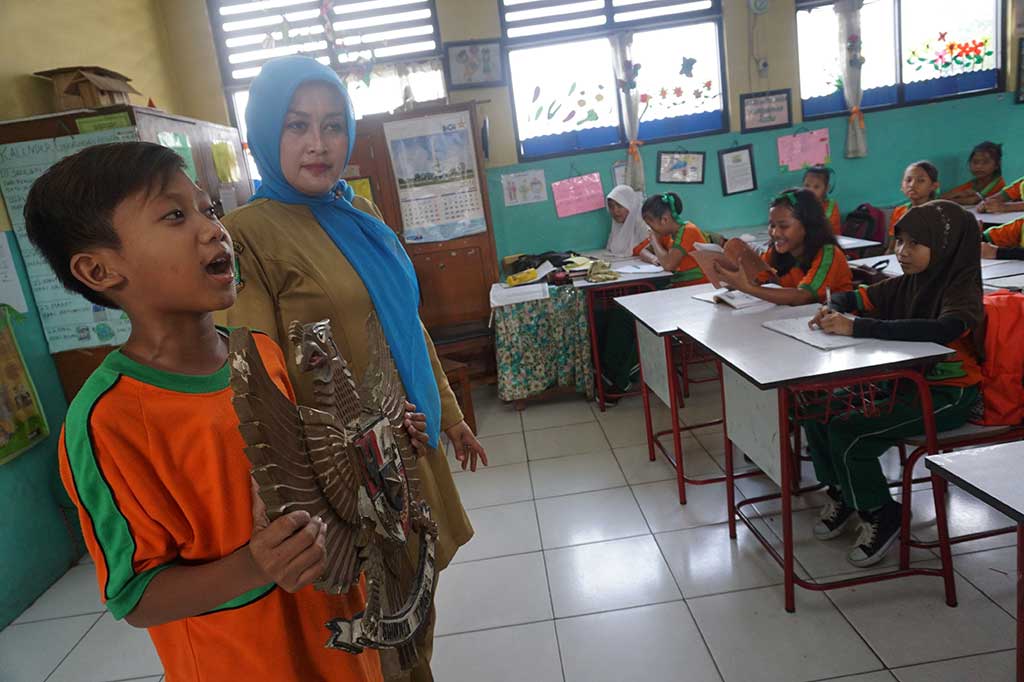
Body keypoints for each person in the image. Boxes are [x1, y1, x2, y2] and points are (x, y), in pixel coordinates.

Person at [23, 141, 383, 681]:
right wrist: (256, 565)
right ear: (99, 270)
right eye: (174, 215)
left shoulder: (256, 352)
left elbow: (301, 477)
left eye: (208, 209)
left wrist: (369, 449)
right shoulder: (108, 420)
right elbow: (136, 596)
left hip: (339, 635)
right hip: (245, 662)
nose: (214, 228)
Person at [220, 55, 486, 682]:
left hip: (407, 443)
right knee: (378, 623)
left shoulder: (359, 215)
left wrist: (450, 416)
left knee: (418, 604)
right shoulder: (247, 236)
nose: (319, 144)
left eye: (333, 125)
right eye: (297, 126)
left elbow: (404, 325)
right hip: (340, 475)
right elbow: (255, 369)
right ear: (263, 134)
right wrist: (275, 491)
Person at [807, 201, 984, 567]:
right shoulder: (907, 283)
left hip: (949, 394)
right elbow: (856, 297)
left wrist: (859, 326)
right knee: (818, 409)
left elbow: (940, 330)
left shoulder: (961, 291)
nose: (901, 252)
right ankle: (843, 491)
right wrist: (832, 304)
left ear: (945, 246)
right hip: (906, 383)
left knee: (850, 431)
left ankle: (882, 513)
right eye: (899, 242)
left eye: (914, 244)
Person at [715, 188, 852, 305]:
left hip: (834, 326)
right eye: (772, 225)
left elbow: (802, 296)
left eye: (784, 226)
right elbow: (755, 278)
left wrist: (748, 288)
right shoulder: (776, 251)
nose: (775, 233)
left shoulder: (828, 254)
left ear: (808, 225)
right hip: (795, 322)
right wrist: (730, 284)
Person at [634, 192, 709, 286]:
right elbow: (642, 251)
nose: (650, 229)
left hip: (699, 286)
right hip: (680, 286)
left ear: (664, 220)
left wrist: (654, 240)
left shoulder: (688, 231)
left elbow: (669, 265)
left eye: (650, 225)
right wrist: (654, 259)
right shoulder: (666, 233)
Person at [887, 161, 940, 250]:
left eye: (921, 180)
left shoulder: (937, 212)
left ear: (934, 186)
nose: (912, 185)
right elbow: (892, 247)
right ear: (902, 185)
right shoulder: (900, 211)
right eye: (908, 180)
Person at [941, 141, 1005, 206]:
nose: (978, 166)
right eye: (975, 162)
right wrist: (960, 194)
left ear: (997, 165)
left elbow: (973, 201)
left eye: (985, 162)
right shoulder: (974, 183)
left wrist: (955, 197)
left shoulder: (998, 182)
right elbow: (941, 198)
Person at [604, 184, 648, 257]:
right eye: (611, 206)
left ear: (631, 205)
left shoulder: (644, 226)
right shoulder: (617, 227)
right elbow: (611, 249)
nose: (615, 211)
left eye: (619, 205)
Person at [802, 165, 841, 235]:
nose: (810, 190)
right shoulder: (798, 205)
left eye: (816, 187)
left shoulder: (831, 206)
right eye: (807, 186)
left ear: (826, 188)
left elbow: (830, 231)